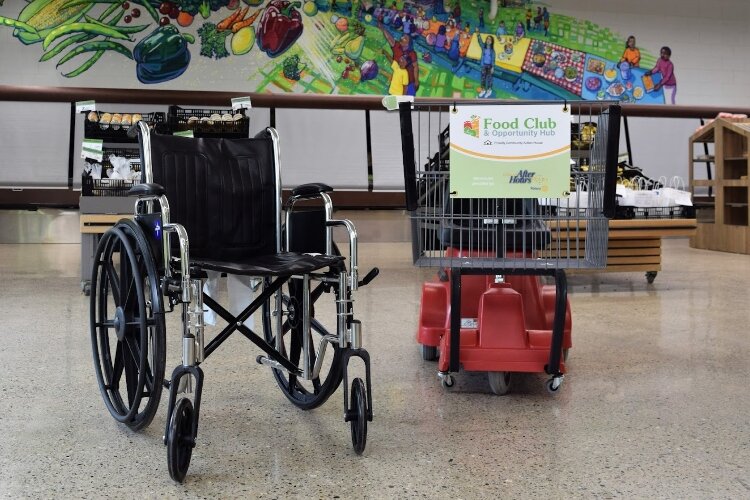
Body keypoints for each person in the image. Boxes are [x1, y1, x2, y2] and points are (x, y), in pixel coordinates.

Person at [380, 23, 420, 95]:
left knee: (408, 101)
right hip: (398, 81)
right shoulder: (397, 46)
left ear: (408, 43)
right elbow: (389, 38)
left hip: (410, 82)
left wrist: (416, 81)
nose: (402, 37)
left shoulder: (412, 53)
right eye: (402, 36)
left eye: (405, 38)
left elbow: (415, 67)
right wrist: (382, 28)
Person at [477, 33, 495, 98]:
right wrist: (478, 35)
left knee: (489, 79)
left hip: (490, 66)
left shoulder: (492, 51)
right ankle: (483, 90)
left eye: (490, 39)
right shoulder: (483, 47)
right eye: (487, 39)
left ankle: (489, 90)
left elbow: (493, 59)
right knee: (483, 78)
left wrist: (493, 67)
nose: (488, 40)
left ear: (492, 42)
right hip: (484, 65)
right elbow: (480, 42)